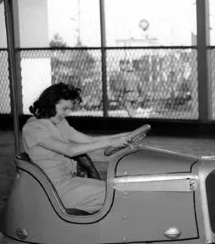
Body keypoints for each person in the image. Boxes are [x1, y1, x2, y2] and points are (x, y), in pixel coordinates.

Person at [22, 83, 135, 213]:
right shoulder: (33, 128)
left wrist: (124, 135)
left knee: (116, 188)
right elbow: (69, 150)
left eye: (69, 109)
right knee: (118, 194)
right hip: (53, 190)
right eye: (64, 108)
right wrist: (110, 141)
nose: (67, 113)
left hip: (69, 182)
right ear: (50, 103)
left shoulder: (60, 123)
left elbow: (89, 140)